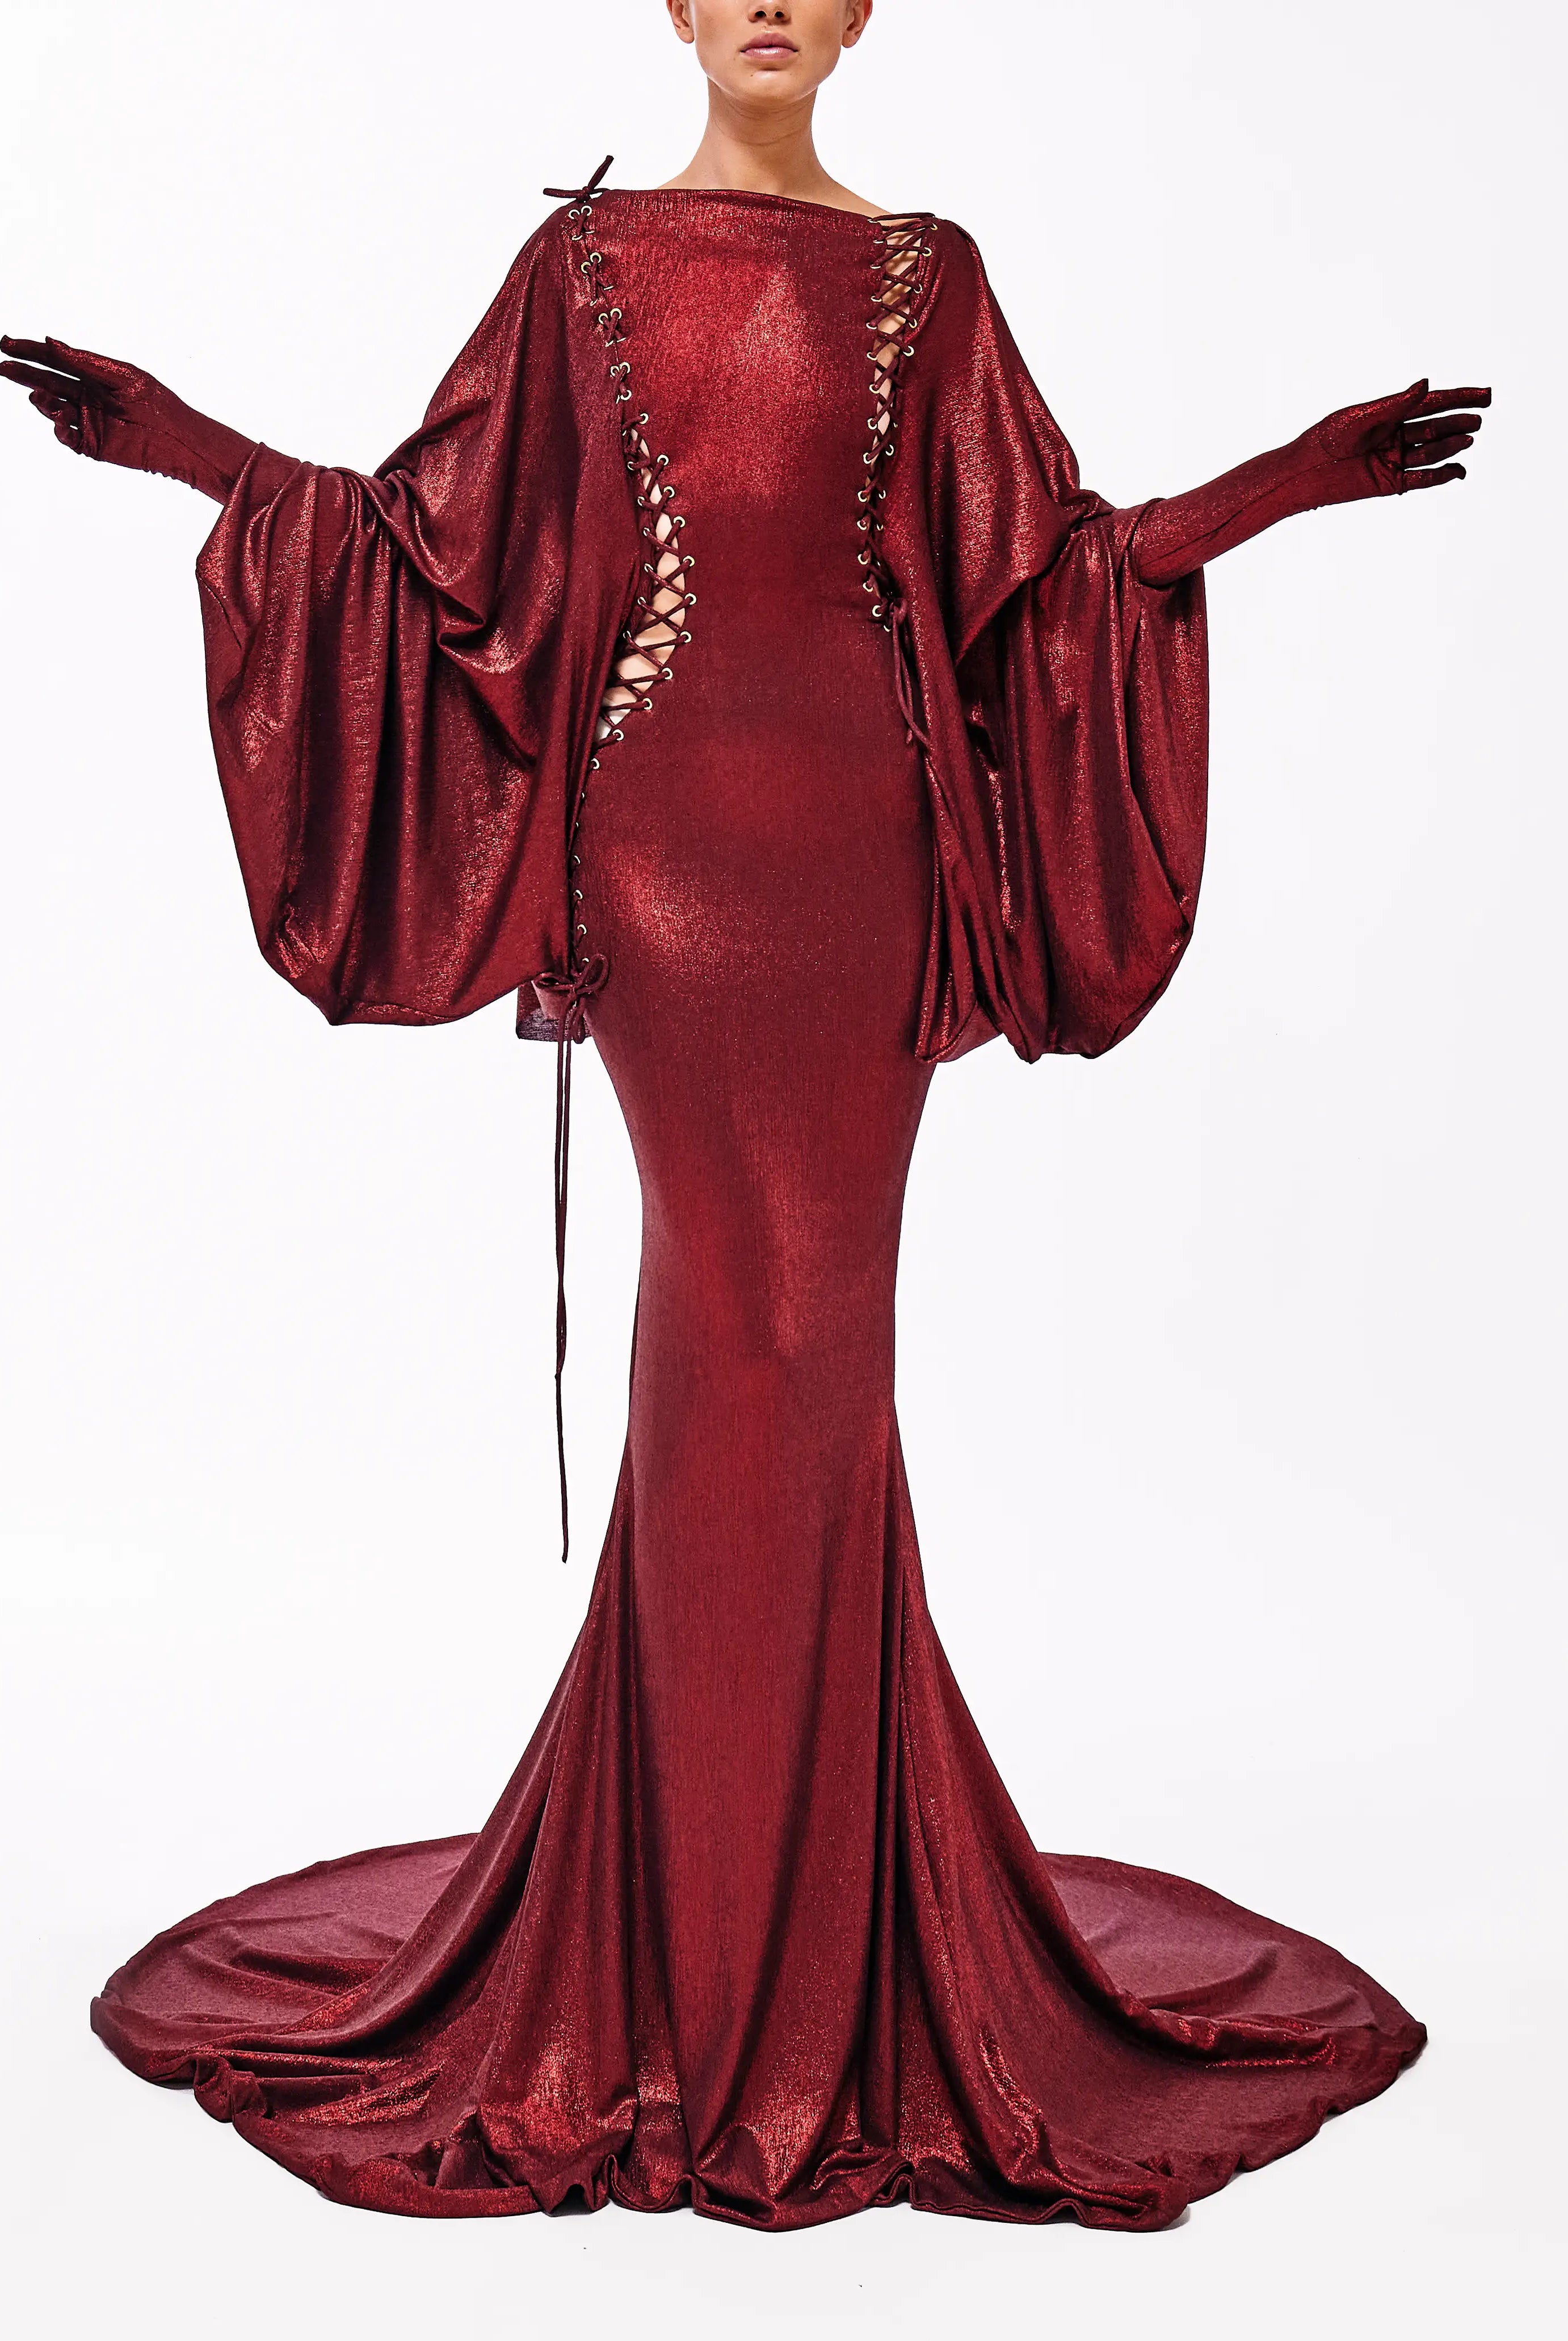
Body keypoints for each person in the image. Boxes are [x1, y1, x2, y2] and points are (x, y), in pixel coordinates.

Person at [0, 0, 1486, 2231]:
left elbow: (1051, 586)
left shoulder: (928, 280)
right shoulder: (585, 270)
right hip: (665, 867)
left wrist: (1288, 483)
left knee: (809, 1367)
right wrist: (189, 451)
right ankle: (712, 1972)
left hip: (868, 872)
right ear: (681, 9)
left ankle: (790, 1944)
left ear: (864, 9)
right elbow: (430, 556)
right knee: (753, 1353)